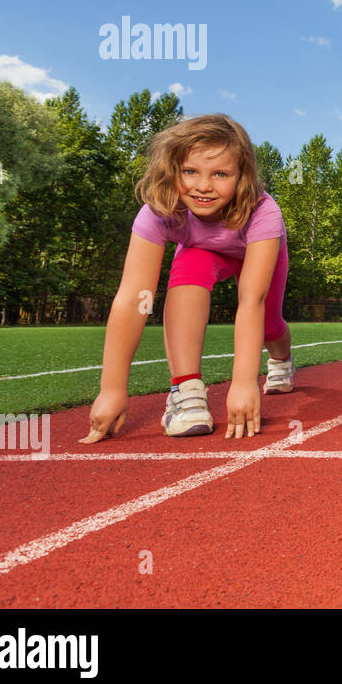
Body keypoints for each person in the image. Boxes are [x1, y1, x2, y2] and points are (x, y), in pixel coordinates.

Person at [80, 114, 294, 443]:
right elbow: (135, 297)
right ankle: (186, 389)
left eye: (220, 174)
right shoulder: (159, 211)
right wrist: (111, 389)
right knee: (188, 270)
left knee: (268, 322)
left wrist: (243, 382)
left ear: (241, 177)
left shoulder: (264, 211)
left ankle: (281, 358)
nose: (203, 186)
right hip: (201, 251)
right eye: (190, 171)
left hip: (256, 252)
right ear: (172, 170)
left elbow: (252, 299)